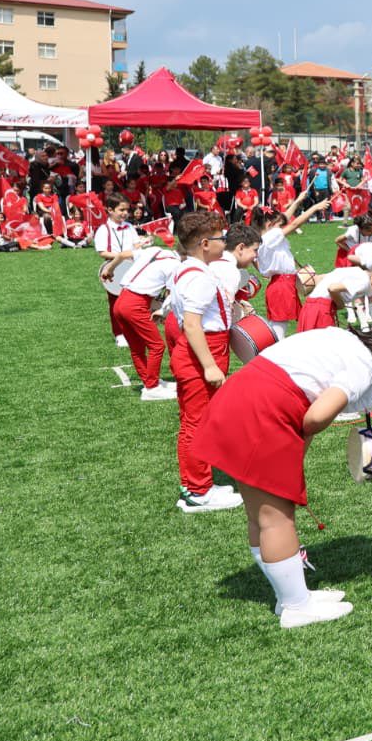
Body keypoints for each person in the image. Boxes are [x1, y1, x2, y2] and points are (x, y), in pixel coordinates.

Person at [194, 323, 372, 628]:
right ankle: (295, 606)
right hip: (263, 410)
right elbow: (315, 417)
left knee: (259, 515)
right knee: (276, 518)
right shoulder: (363, 366)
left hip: (241, 395)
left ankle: (290, 595)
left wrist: (294, 455)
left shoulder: (339, 337)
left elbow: (307, 398)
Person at [168, 215, 258, 514]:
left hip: (203, 347)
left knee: (197, 420)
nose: (225, 242)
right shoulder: (200, 276)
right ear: (205, 244)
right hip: (202, 351)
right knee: (196, 423)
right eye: (220, 238)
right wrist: (209, 365)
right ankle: (197, 491)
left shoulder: (191, 269)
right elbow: (193, 325)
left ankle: (198, 484)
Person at [108, 240, 181, 401]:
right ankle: (152, 387)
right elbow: (171, 294)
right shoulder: (176, 265)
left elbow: (121, 254)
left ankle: (149, 382)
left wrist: (109, 269)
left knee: (137, 347)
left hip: (120, 302)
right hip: (135, 305)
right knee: (157, 346)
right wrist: (162, 311)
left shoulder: (153, 250)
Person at [253, 193, 329, 338]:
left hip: (282, 284)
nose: (282, 225)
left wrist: (298, 200)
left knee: (280, 327)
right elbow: (294, 224)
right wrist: (314, 208)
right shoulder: (270, 237)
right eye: (279, 224)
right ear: (269, 225)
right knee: (279, 330)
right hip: (282, 285)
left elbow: (285, 218)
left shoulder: (264, 237)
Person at [298, 256, 372, 332]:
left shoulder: (359, 273)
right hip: (320, 310)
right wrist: (340, 305)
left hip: (311, 307)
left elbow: (320, 278)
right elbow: (333, 288)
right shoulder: (363, 281)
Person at [93, 193, 146, 349]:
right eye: (121, 210)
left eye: (126, 210)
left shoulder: (129, 227)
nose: (124, 213)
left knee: (135, 301)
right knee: (116, 304)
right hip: (113, 269)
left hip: (133, 267)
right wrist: (122, 256)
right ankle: (120, 334)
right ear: (110, 210)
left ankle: (135, 330)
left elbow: (136, 245)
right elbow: (102, 252)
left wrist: (142, 243)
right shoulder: (104, 229)